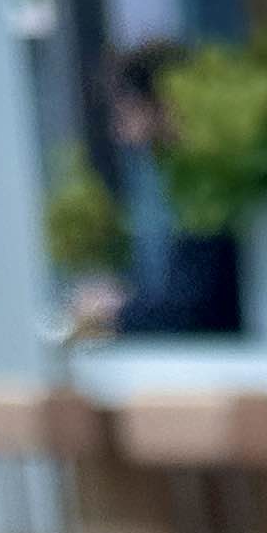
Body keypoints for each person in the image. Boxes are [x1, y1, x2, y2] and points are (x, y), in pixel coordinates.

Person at [87, 47, 240, 341]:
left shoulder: (206, 181)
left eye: (125, 108)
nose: (119, 132)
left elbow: (190, 309)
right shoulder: (171, 180)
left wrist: (116, 314)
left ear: (164, 103)